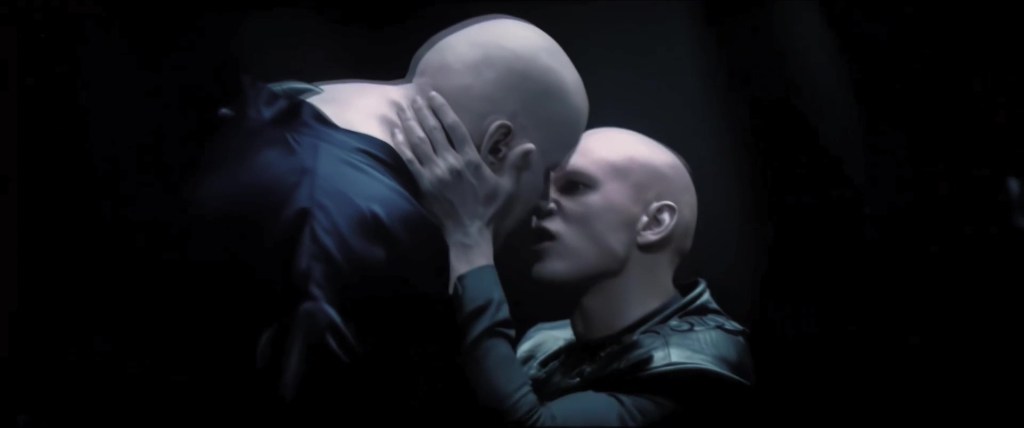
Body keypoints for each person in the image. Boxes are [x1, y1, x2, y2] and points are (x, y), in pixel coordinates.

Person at [184, 14, 588, 425]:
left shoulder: (279, 102)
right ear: (498, 146)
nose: (544, 199)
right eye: (547, 170)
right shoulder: (382, 233)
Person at [392, 94, 754, 426]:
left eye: (575, 186)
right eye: (545, 188)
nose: (542, 204)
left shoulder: (698, 365)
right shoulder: (545, 343)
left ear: (655, 222)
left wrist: (469, 235)